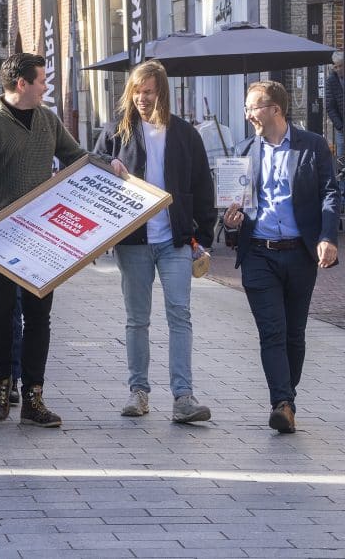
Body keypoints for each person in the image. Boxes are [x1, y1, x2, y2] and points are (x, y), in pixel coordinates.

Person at [0, 52, 84, 427]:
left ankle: (33, 397)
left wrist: (107, 163)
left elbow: (75, 156)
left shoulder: (47, 120)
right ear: (22, 83)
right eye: (42, 80)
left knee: (39, 317)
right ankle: (2, 384)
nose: (46, 86)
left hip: (41, 236)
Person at [93, 61, 215, 424]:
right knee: (137, 319)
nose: (142, 98)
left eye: (148, 91)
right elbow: (92, 169)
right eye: (136, 91)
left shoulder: (185, 134)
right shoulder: (116, 131)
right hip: (133, 241)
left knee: (180, 314)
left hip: (174, 240)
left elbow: (202, 185)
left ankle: (183, 397)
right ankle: (138, 392)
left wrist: (202, 237)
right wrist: (107, 163)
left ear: (162, 92)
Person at [223, 80, 339, 434]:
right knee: (272, 331)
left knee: (294, 334)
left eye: (253, 107)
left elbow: (330, 192)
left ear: (276, 108)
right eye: (246, 108)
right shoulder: (244, 150)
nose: (248, 114)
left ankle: (287, 397)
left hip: (300, 253)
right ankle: (282, 404)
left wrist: (327, 237)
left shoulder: (312, 146)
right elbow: (233, 206)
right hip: (259, 253)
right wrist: (230, 223)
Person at [325, 52, 344, 161]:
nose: (338, 69)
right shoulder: (331, 81)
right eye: (335, 67)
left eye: (340, 66)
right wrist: (340, 126)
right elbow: (330, 107)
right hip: (341, 126)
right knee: (341, 157)